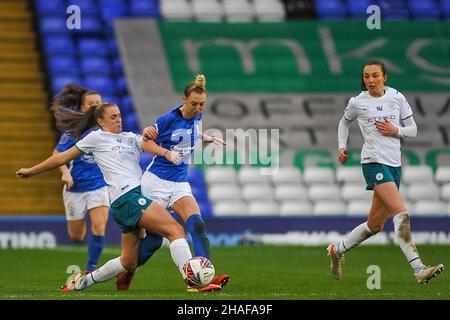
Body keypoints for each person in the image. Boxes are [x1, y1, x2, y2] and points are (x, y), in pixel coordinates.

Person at [16, 103, 194, 291]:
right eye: (113, 117)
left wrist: (164, 146)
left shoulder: (130, 137)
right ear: (100, 121)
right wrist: (32, 170)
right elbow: (62, 157)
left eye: (119, 115)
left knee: (128, 262)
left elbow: (149, 142)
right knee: (175, 230)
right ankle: (193, 280)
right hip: (128, 197)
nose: (119, 120)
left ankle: (82, 283)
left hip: (125, 202)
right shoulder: (96, 138)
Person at [328, 61, 444, 284]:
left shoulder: (397, 98)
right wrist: (341, 146)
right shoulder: (357, 102)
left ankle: (337, 250)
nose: (370, 80)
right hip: (373, 162)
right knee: (401, 214)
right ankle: (419, 269)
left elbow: (413, 129)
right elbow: (344, 123)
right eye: (366, 76)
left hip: (393, 165)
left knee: (374, 226)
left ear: (384, 77)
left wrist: (396, 130)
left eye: (374, 76)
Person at [115, 75, 230, 293]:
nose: (198, 108)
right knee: (154, 240)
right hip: (156, 182)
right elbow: (146, 141)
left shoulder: (198, 115)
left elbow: (190, 132)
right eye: (194, 104)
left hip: (179, 183)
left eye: (201, 104)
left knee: (197, 224)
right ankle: (127, 271)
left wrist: (207, 137)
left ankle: (204, 276)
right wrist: (164, 150)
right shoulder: (168, 119)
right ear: (184, 99)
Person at [51, 84, 109, 273]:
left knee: (99, 228)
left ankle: (90, 270)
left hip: (99, 186)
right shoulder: (74, 131)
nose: (94, 106)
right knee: (76, 235)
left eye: (98, 103)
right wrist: (65, 172)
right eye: (90, 103)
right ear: (83, 107)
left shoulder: (110, 129)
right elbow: (56, 155)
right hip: (75, 187)